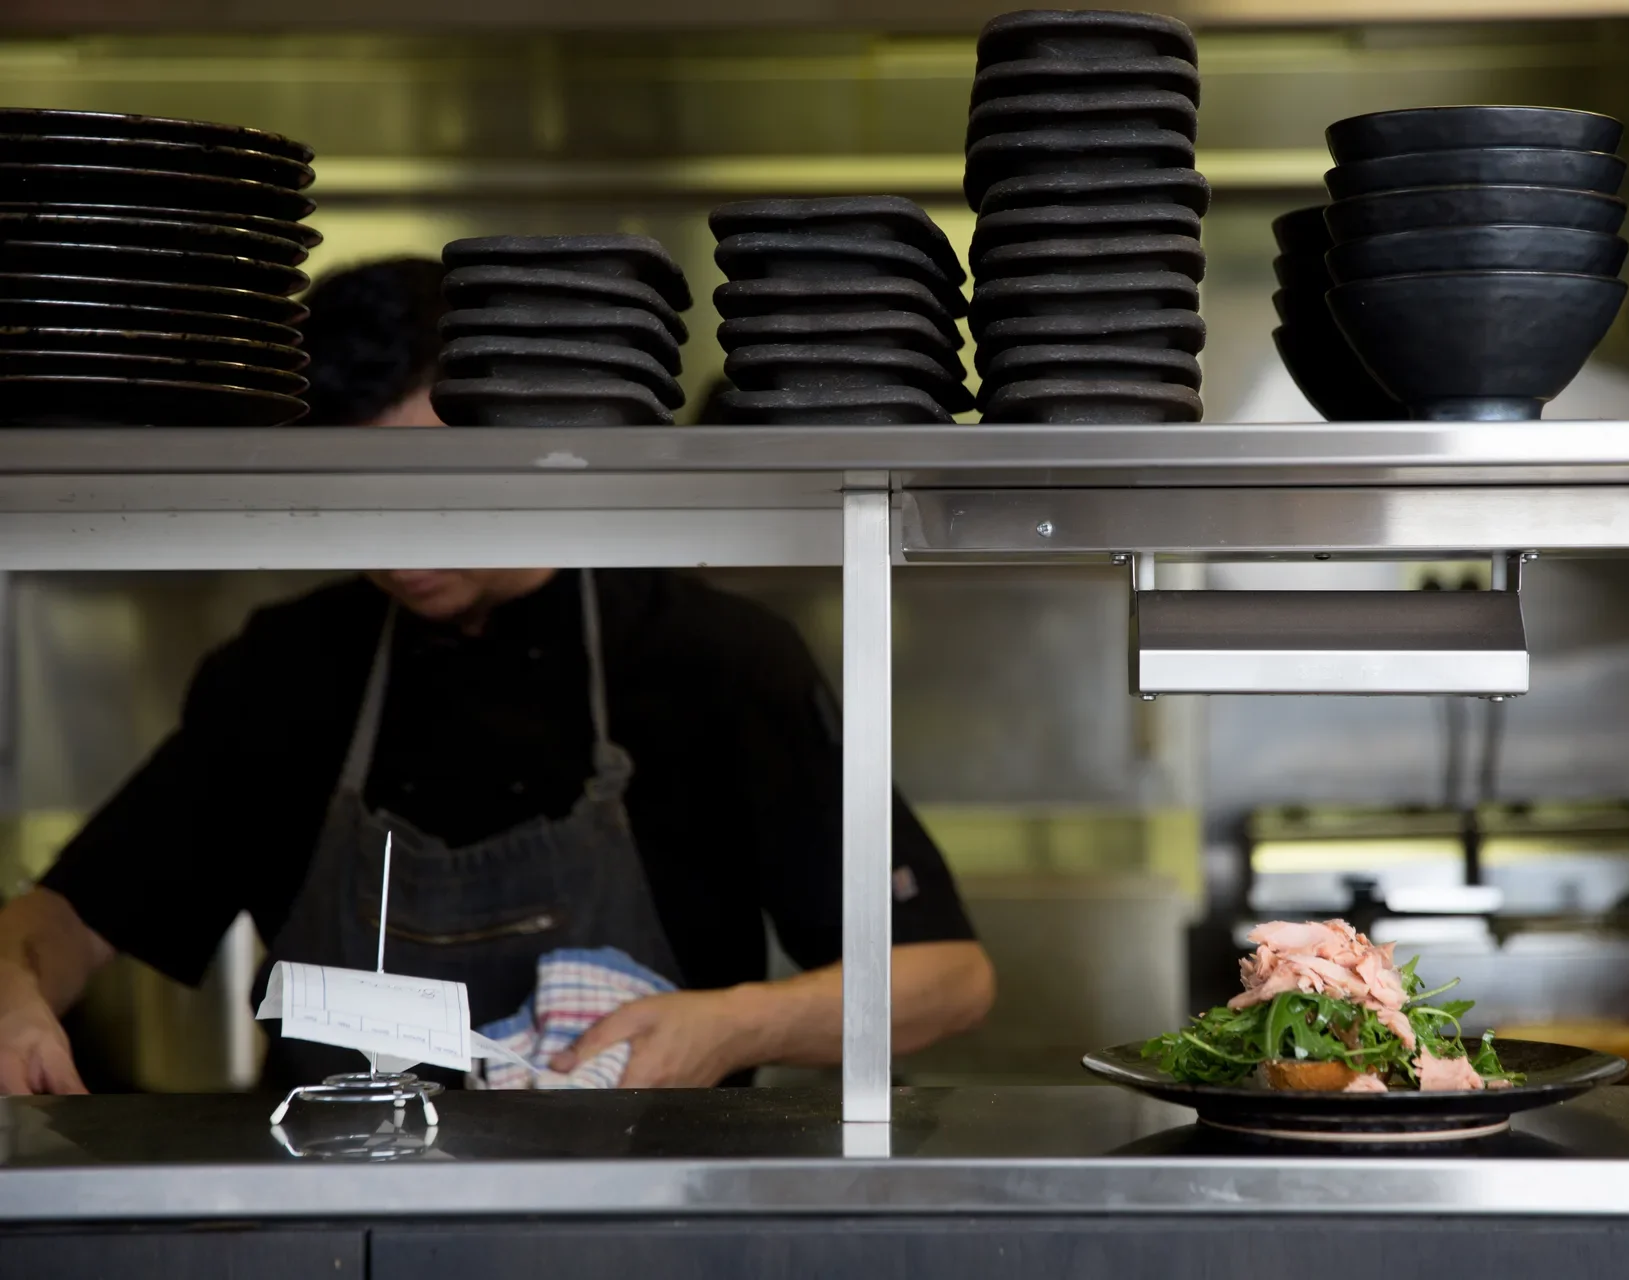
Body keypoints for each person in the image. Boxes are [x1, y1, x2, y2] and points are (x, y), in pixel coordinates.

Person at [0, 257, 994, 1095]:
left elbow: (948, 977)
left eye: (425, 490)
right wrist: (12, 987)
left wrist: (740, 1024)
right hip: (334, 1229)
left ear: (513, 439)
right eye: (353, 499)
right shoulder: (283, 669)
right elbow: (69, 919)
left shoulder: (714, 657)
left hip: (648, 1220)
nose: (395, 547)